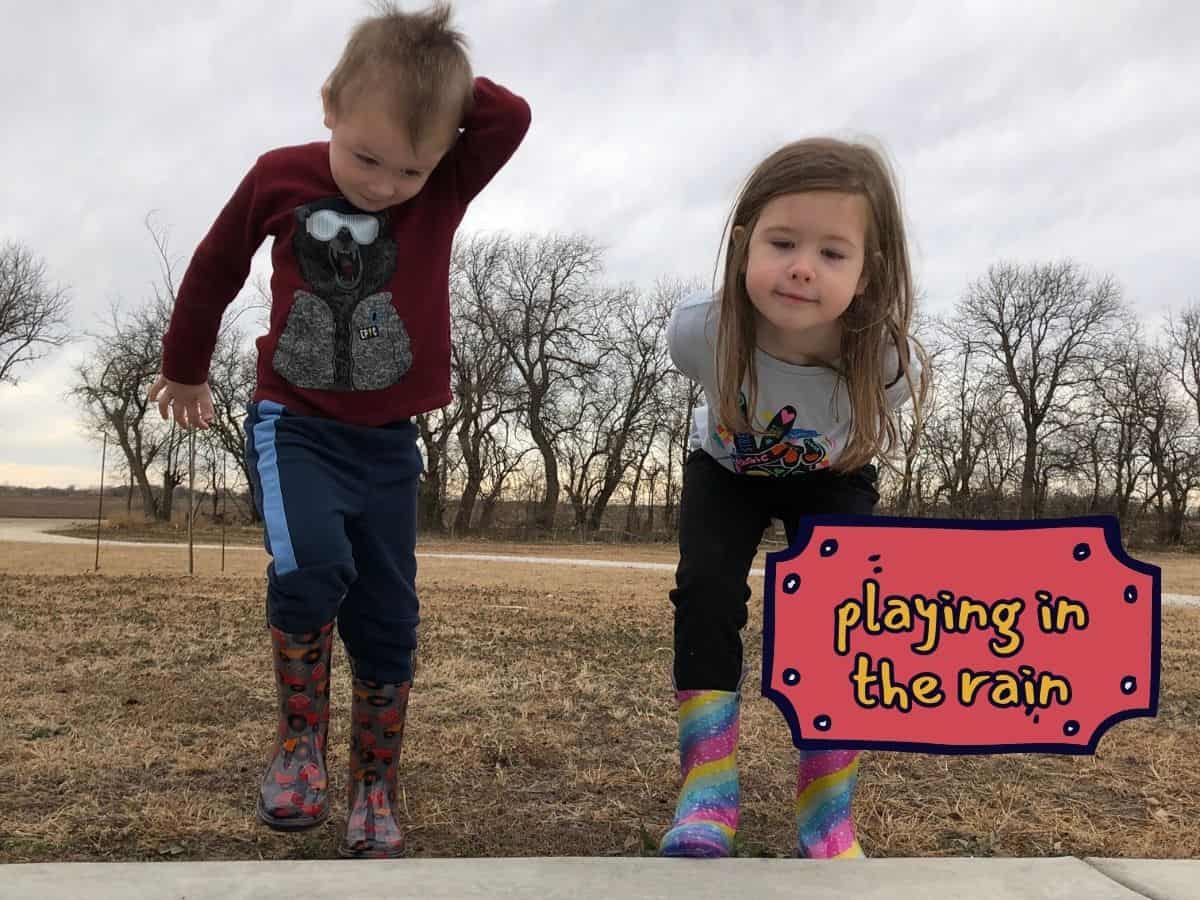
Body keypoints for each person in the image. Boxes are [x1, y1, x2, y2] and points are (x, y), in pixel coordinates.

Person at [148, 1, 530, 859]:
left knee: (390, 619)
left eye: (409, 170)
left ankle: (374, 789)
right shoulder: (279, 175)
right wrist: (185, 366)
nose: (384, 184)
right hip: (297, 426)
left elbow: (511, 118)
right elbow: (214, 267)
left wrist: (433, 72)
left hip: (390, 444)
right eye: (365, 156)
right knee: (313, 563)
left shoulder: (445, 187)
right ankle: (296, 748)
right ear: (329, 104)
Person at [660, 137, 928, 859]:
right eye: (783, 242)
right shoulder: (700, 331)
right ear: (745, 245)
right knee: (708, 592)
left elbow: (871, 426)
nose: (802, 267)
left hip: (834, 476)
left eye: (833, 254)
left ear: (868, 272)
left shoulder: (882, 358)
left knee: (845, 615)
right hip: (726, 467)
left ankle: (826, 807)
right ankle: (707, 791)